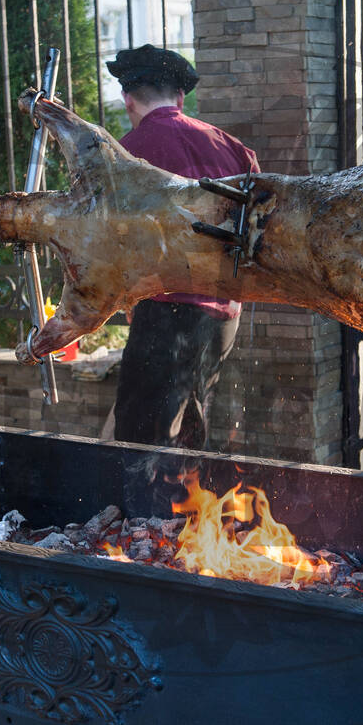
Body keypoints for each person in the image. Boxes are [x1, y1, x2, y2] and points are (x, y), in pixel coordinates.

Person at [105, 44, 258, 450]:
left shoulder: (124, 155)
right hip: (225, 314)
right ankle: (189, 513)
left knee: (143, 439)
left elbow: (108, 237)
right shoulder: (234, 147)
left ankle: (144, 513)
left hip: (165, 310)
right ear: (180, 97)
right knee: (191, 429)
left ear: (128, 98)